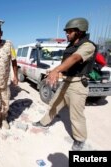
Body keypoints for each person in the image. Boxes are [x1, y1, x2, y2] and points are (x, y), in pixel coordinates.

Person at [32, 17, 96, 151]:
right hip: (66, 82)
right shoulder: (70, 46)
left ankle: (79, 139)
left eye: (69, 32)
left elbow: (75, 58)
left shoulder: (88, 46)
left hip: (78, 84)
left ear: (79, 32)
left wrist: (56, 70)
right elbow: (67, 63)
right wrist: (55, 70)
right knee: (53, 104)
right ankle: (44, 122)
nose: (66, 34)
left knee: (76, 114)